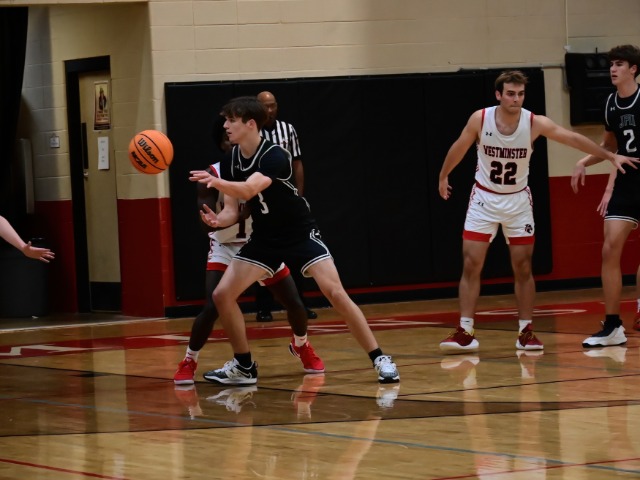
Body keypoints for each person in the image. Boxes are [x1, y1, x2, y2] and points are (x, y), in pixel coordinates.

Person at [189, 96, 399, 384]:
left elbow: (250, 189)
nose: (225, 125)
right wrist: (218, 221)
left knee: (335, 292)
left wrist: (216, 181)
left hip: (298, 232)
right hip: (265, 237)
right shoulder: (232, 160)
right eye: (225, 120)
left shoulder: (275, 155)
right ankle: (244, 366)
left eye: (231, 120)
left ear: (250, 124)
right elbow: (232, 209)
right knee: (221, 295)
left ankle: (380, 358)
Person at [438, 69, 638, 354]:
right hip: (483, 199)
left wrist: (608, 155)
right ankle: (466, 330)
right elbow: (459, 147)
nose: (516, 99)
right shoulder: (480, 119)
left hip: (518, 201)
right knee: (471, 263)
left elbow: (571, 138)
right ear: (498, 95)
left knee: (523, 266)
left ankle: (526, 331)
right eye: (510, 94)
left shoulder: (534, 122)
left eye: (520, 94)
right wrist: (444, 175)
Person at [174, 116, 324, 386]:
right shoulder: (211, 174)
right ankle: (189, 359)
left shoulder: (262, 166)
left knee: (294, 303)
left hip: (259, 244)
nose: (233, 143)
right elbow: (205, 221)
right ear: (223, 143)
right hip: (225, 246)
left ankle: (301, 344)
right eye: (227, 139)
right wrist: (214, 221)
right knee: (213, 306)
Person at [571, 44, 640, 347]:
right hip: (627, 182)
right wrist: (584, 162)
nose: (613, 69)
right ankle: (613, 326)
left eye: (619, 64)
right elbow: (610, 146)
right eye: (611, 64)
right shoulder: (610, 103)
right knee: (609, 250)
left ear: (633, 69)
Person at [253, 90, 317, 322]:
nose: (270, 110)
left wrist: (299, 193)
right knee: (264, 252)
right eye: (265, 106)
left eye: (273, 105)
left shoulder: (288, 129)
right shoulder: (252, 132)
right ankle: (263, 307)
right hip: (263, 201)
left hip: (287, 199)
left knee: (295, 253)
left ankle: (300, 304)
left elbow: (297, 162)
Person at [596, 168, 640, 332]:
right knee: (609, 250)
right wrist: (609, 188)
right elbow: (616, 156)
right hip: (627, 188)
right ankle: (612, 323)